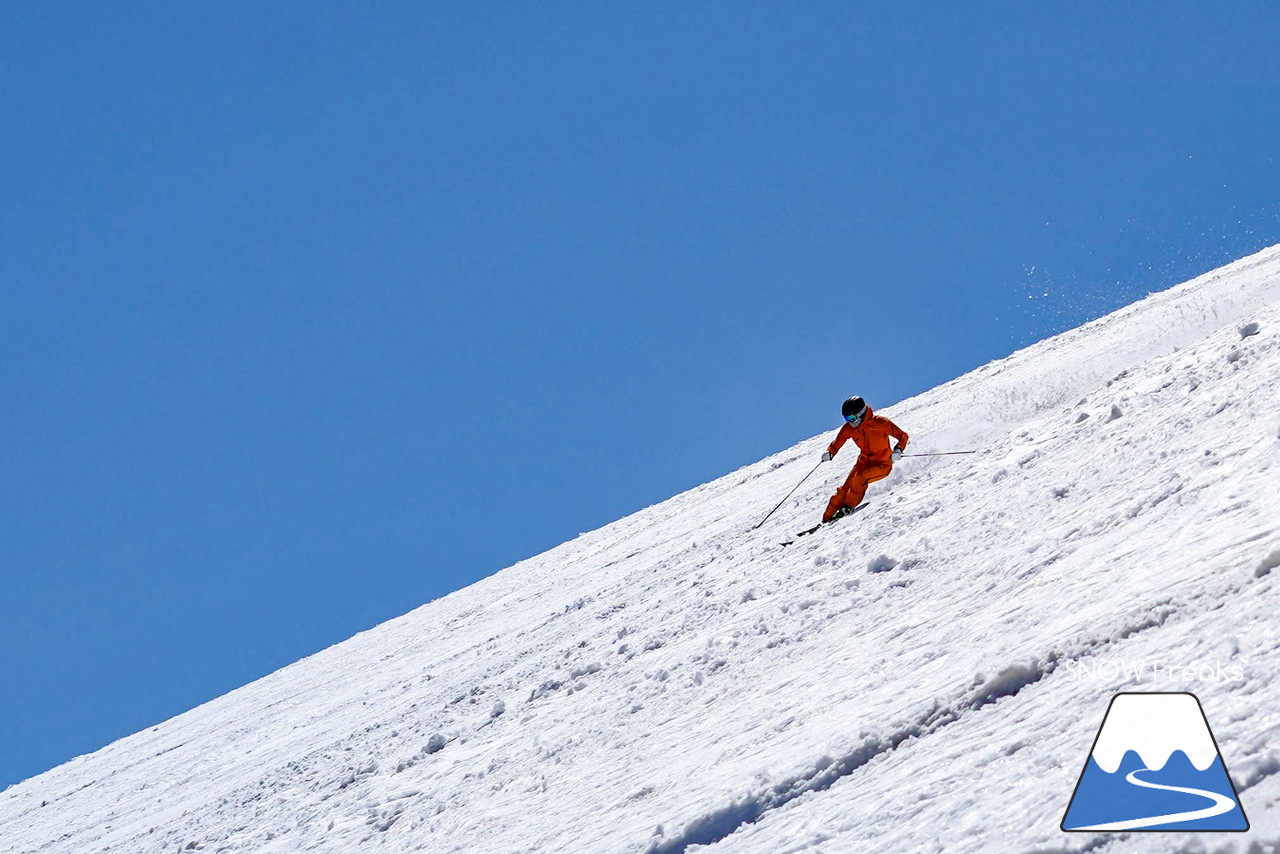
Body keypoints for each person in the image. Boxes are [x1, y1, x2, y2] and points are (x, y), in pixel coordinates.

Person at [820, 396, 909, 522]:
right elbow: (838, 441)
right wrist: (830, 452)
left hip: (882, 464)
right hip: (862, 462)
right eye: (847, 419)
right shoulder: (849, 428)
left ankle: (847, 507)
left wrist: (898, 449)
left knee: (860, 477)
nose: (850, 422)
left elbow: (903, 436)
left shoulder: (880, 423)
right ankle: (826, 519)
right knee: (844, 489)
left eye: (852, 418)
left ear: (861, 414)